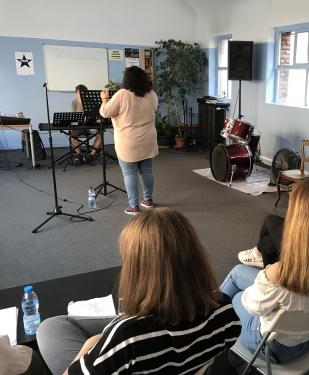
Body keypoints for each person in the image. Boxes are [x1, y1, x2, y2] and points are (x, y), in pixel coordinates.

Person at [37, 209, 241, 375]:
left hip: (124, 348)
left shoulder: (127, 336)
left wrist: (90, 346)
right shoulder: (224, 311)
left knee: (49, 327)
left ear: (137, 268)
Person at [222, 178, 309, 363]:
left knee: (236, 297)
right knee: (238, 271)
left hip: (271, 348)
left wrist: (262, 280)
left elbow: (251, 305)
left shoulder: (279, 272)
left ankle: (211, 328)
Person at [99, 66, 158, 215]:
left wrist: (104, 99)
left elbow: (105, 113)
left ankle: (134, 206)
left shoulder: (122, 94)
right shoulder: (151, 94)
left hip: (128, 142)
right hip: (148, 139)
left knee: (129, 173)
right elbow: (154, 109)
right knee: (147, 170)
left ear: (127, 80)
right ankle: (148, 200)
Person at [70, 84, 102, 163]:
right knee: (72, 135)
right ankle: (79, 154)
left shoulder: (91, 102)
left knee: (99, 136)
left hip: (90, 126)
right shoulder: (74, 103)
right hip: (79, 127)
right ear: (76, 93)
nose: (80, 95)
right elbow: (73, 118)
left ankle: (91, 155)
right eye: (78, 93)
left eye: (82, 93)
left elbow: (96, 116)